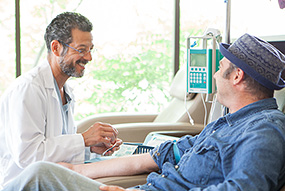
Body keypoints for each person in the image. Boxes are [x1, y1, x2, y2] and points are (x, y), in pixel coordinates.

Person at [2, 33, 285, 191]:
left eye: (220, 67)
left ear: (237, 77)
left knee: (37, 176)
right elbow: (155, 157)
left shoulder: (265, 131)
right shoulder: (224, 125)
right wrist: (77, 169)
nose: (214, 73)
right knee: (43, 174)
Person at [0, 12, 122, 189]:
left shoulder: (65, 91)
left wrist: (90, 148)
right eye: (81, 50)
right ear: (56, 48)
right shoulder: (28, 89)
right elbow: (28, 157)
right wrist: (83, 140)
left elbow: (56, 148)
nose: (89, 57)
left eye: (90, 49)